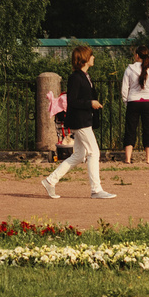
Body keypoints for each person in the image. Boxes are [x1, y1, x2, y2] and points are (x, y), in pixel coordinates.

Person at [44, 44, 115, 199]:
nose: (93, 57)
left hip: (84, 120)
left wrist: (92, 103)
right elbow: (73, 101)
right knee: (94, 152)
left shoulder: (85, 76)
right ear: (84, 59)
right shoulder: (75, 77)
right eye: (91, 55)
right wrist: (90, 103)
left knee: (79, 155)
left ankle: (51, 180)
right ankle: (96, 190)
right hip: (80, 121)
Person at [121, 45, 149, 165]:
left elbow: (124, 88)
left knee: (130, 129)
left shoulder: (129, 69)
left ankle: (128, 158)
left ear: (137, 55)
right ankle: (148, 159)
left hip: (133, 101)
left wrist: (126, 101)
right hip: (148, 101)